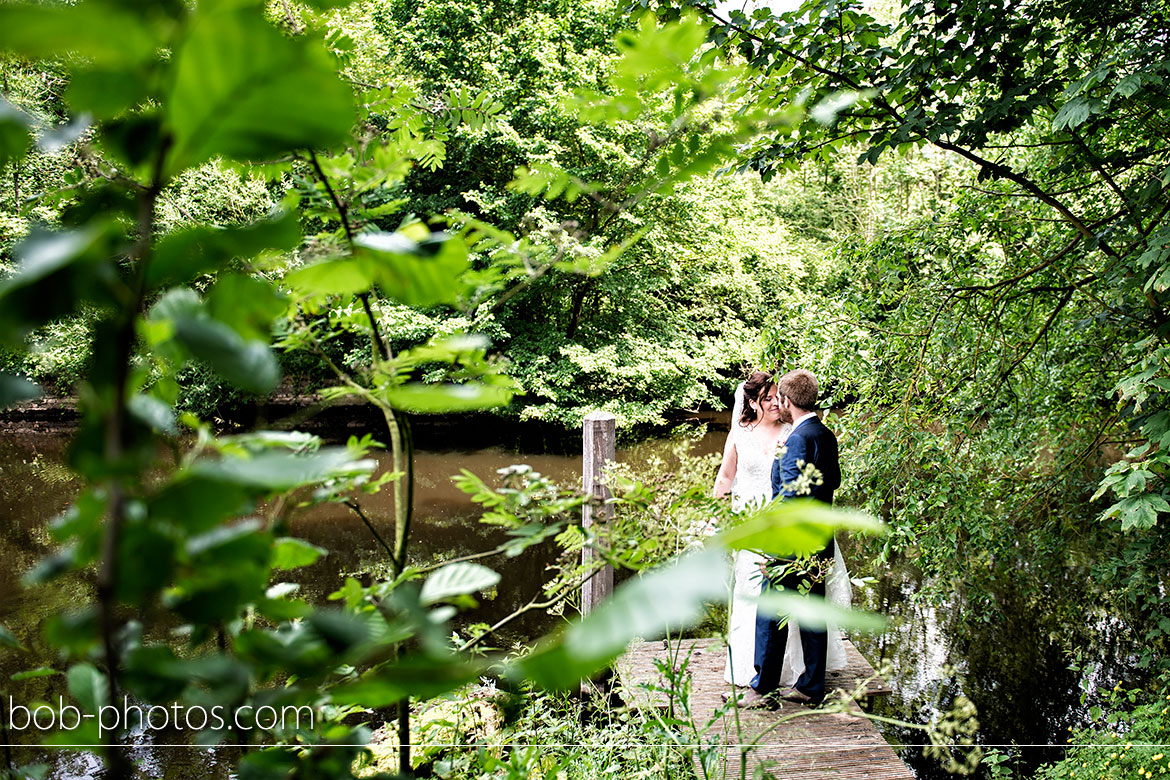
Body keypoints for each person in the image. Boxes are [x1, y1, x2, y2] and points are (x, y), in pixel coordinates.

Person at [737, 369, 848, 708]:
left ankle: (763, 689)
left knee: (771, 614)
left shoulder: (796, 439)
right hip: (818, 542)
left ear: (786, 401)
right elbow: (834, 482)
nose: (776, 405)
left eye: (778, 399)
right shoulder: (825, 434)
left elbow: (788, 499)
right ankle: (811, 687)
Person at [714, 370, 793, 687]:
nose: (776, 403)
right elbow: (725, 478)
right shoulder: (739, 434)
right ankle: (746, 669)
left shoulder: (791, 432)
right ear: (751, 402)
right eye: (768, 398)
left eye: (777, 396)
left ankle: (787, 670)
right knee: (749, 593)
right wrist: (713, 518)